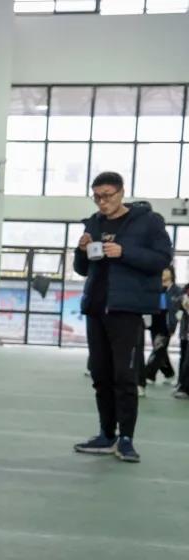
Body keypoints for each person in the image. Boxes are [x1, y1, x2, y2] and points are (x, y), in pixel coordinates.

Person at [72, 171, 172, 463]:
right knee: (100, 375)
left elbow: (162, 258)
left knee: (124, 376)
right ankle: (106, 434)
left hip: (126, 310)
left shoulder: (148, 222)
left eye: (107, 196)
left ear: (121, 193)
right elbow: (82, 269)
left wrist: (124, 252)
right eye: (97, 197)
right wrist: (80, 251)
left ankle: (126, 438)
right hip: (96, 308)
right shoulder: (94, 222)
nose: (102, 202)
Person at [144, 267, 179, 385]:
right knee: (160, 349)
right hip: (155, 321)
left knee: (159, 349)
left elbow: (179, 310)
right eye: (162, 271)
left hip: (166, 323)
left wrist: (174, 324)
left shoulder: (177, 290)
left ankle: (149, 374)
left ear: (171, 273)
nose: (163, 273)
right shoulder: (156, 288)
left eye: (166, 270)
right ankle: (169, 373)